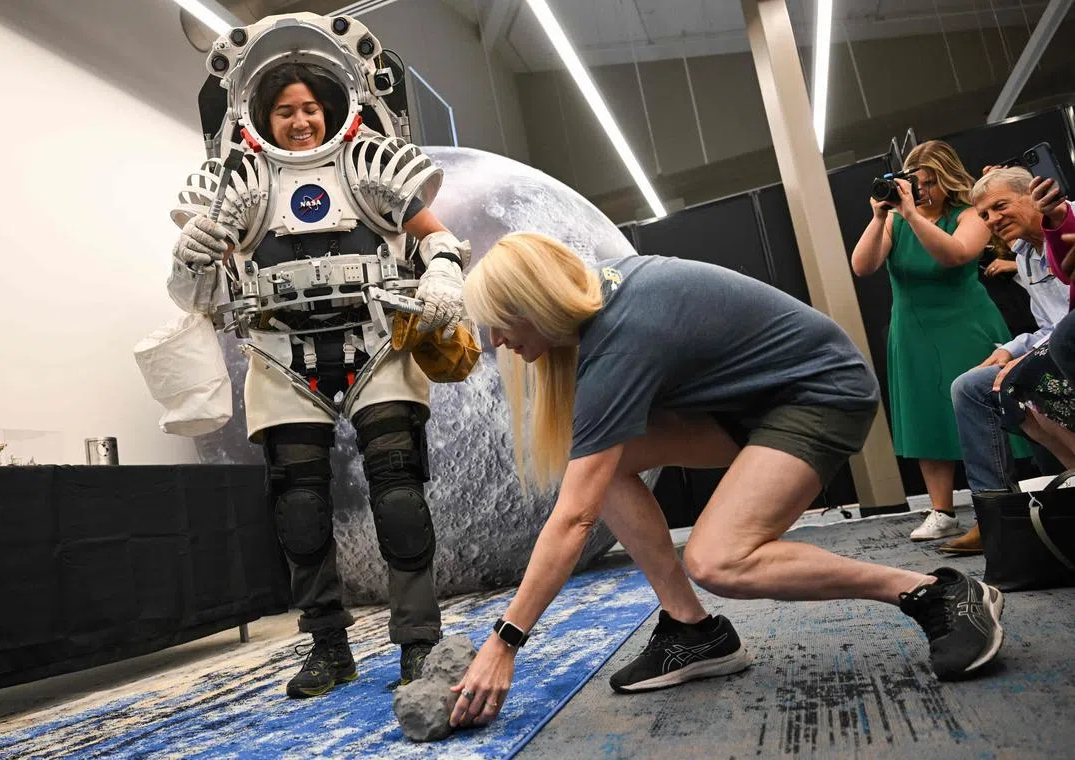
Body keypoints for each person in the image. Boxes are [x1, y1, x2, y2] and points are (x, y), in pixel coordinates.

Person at [447, 233, 1005, 728]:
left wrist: (505, 641)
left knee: (719, 559)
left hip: (819, 393)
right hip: (752, 402)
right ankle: (693, 631)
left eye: (502, 322)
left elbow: (574, 519)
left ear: (535, 304)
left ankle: (938, 594)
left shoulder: (619, 335)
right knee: (602, 465)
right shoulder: (601, 300)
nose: (496, 340)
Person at [166, 14, 471, 698]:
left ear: (331, 106)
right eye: (284, 111)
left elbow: (438, 238)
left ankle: (419, 643)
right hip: (279, 354)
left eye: (308, 108)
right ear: (261, 117)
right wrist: (188, 260)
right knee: (298, 510)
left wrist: (445, 273)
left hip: (377, 346)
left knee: (398, 496)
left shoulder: (371, 169)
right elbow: (199, 290)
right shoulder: (234, 187)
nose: (299, 122)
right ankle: (329, 647)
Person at [850, 140, 1027, 543]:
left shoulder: (970, 215)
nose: (921, 189)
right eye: (915, 182)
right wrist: (881, 217)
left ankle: (997, 504)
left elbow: (954, 255)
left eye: (929, 182)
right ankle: (941, 510)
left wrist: (911, 215)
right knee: (926, 415)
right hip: (913, 329)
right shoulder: (896, 221)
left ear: (946, 180)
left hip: (965, 323)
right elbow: (863, 266)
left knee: (984, 412)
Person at [946, 167, 1072, 554]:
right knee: (971, 386)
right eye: (983, 214)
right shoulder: (1025, 255)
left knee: (1020, 380)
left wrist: (1027, 358)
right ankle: (996, 517)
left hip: (1068, 347)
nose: (992, 220)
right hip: (1059, 344)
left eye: (1000, 206)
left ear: (1034, 194)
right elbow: (1049, 323)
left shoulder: (1068, 224)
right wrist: (1012, 349)